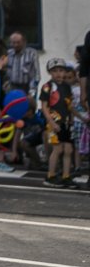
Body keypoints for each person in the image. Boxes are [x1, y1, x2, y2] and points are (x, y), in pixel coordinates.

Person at [39, 57, 79, 188]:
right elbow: (44, 107)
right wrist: (51, 122)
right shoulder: (47, 87)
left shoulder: (67, 87)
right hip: (54, 122)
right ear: (50, 72)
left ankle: (66, 176)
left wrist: (72, 119)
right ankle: (51, 175)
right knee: (58, 149)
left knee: (68, 149)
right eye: (55, 71)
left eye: (61, 70)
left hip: (66, 122)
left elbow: (69, 105)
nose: (58, 74)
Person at [4, 33, 43, 97]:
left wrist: (32, 92)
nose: (16, 45)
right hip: (12, 88)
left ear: (24, 42)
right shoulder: (8, 54)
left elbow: (36, 74)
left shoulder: (32, 53)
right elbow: (5, 72)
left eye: (18, 42)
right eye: (13, 43)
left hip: (27, 87)